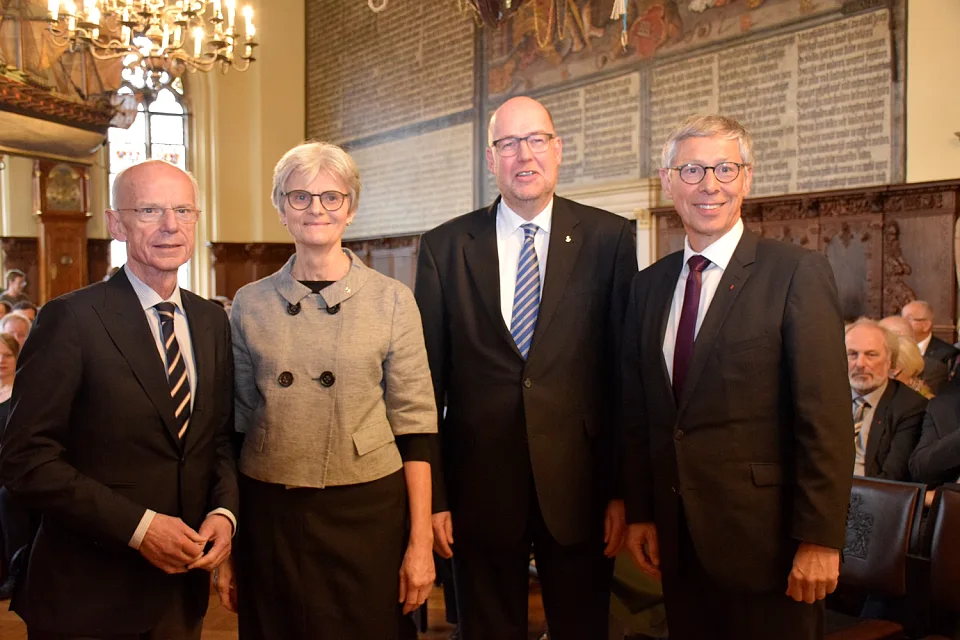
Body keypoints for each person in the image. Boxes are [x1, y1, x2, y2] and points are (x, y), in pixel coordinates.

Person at [621, 115, 854, 640]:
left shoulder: (795, 272)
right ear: (667, 180)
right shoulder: (648, 287)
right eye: (693, 169)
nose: (710, 184)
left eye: (726, 168)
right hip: (679, 548)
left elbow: (826, 418)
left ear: (746, 179)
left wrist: (820, 540)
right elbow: (642, 415)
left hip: (771, 548)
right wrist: (642, 512)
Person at [415, 96, 637, 639]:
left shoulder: (610, 240)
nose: (525, 155)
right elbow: (424, 387)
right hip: (478, 490)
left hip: (581, 490)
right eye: (509, 143)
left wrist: (621, 492)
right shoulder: (445, 247)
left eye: (537, 139)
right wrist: (435, 502)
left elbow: (624, 380)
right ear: (491, 159)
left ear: (558, 150)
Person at [0, 159, 239, 639]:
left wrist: (224, 512)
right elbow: (25, 458)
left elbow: (216, 439)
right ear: (115, 223)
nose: (170, 225)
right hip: (87, 594)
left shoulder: (211, 322)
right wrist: (140, 527)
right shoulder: (71, 319)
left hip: (179, 594)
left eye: (183, 210)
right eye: (149, 210)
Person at [225, 141, 436, 639]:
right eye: (299, 196)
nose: (316, 208)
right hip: (270, 509)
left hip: (366, 510)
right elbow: (232, 426)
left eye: (331, 196)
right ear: (280, 209)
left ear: (352, 207)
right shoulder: (249, 303)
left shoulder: (392, 300)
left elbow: (416, 430)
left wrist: (420, 542)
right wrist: (231, 545)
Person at [845, 319, 926, 480]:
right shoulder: (823, 400)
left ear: (890, 361)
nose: (860, 364)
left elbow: (893, 478)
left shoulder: (910, 407)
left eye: (871, 355)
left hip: (871, 498)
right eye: (852, 354)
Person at [0, 333, 24, 600]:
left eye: (7, 355)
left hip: (13, 466)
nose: (0, 360)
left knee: (6, 496)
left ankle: (14, 572)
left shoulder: (23, 390)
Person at [901, 300, 958, 393]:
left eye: (909, 319)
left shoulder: (948, 354)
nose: (903, 323)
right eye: (902, 318)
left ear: (926, 325)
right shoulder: (894, 348)